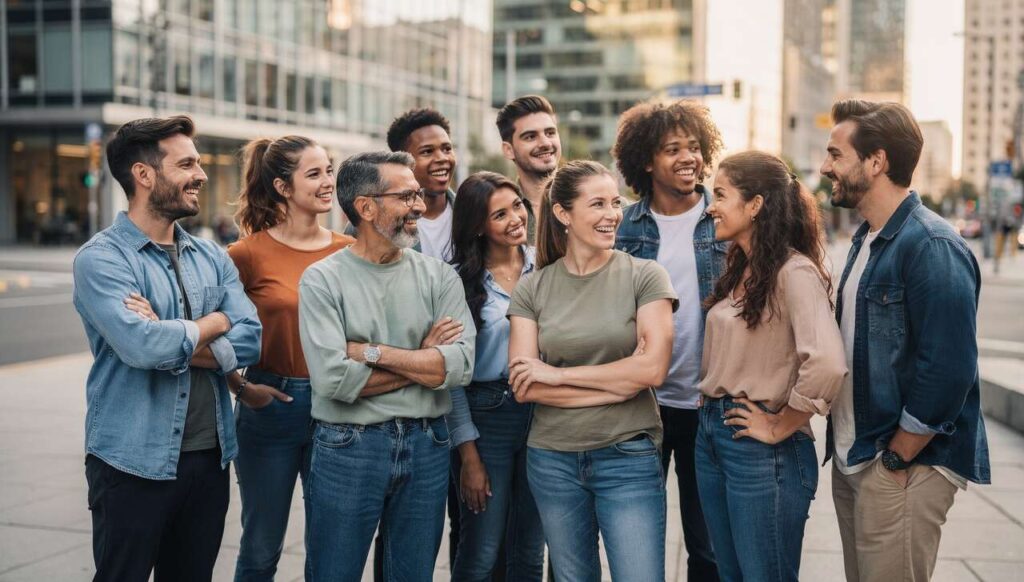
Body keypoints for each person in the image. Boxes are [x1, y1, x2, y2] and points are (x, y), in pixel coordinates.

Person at [73, 115, 261, 582]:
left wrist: (174, 332)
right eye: (187, 164)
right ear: (144, 175)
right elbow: (142, 347)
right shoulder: (101, 259)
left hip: (208, 459)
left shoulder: (211, 255)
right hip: (131, 461)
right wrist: (214, 323)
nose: (200, 174)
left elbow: (251, 335)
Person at [822, 99, 991, 582]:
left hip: (902, 466)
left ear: (876, 162)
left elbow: (950, 368)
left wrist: (897, 457)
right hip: (860, 456)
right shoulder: (868, 239)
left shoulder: (931, 245)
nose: (824, 166)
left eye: (836, 154)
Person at [298, 151, 475, 581]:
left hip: (428, 444)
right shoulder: (322, 280)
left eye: (417, 194)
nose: (419, 205)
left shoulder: (439, 277)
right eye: (406, 196)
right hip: (349, 447)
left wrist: (372, 352)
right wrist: (422, 360)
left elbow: (459, 366)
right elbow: (334, 379)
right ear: (366, 207)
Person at [508, 160, 678, 581]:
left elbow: (653, 370)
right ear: (564, 213)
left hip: (627, 455)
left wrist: (558, 375)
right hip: (552, 459)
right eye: (598, 204)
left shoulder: (645, 276)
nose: (613, 215)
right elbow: (525, 386)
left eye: (616, 203)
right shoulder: (533, 287)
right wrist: (620, 383)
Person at [695, 151, 847, 582]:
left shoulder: (793, 271)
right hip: (714, 434)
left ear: (756, 204)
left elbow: (828, 363)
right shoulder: (741, 268)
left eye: (721, 194)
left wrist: (781, 424)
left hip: (763, 452)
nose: (711, 205)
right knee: (731, 575)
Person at [227, 136, 355, 581]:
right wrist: (239, 386)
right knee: (261, 548)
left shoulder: (348, 251)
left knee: (330, 551)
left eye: (329, 171)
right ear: (283, 187)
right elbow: (211, 330)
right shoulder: (246, 254)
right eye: (314, 173)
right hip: (271, 407)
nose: (327, 182)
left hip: (337, 407)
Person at [610, 98, 726, 582]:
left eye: (695, 147)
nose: (688, 158)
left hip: (709, 406)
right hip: (644, 405)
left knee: (709, 547)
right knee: (637, 543)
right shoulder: (624, 226)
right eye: (672, 148)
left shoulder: (725, 218)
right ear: (646, 161)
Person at [444, 172, 544, 581]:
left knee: (529, 550)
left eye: (517, 205)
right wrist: (468, 456)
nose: (515, 218)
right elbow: (450, 378)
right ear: (478, 226)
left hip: (543, 413)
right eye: (499, 214)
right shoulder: (457, 280)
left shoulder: (548, 264)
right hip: (487, 417)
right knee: (482, 550)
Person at [386, 107, 458, 260]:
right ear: (402, 162)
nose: (442, 158)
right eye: (427, 151)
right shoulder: (376, 221)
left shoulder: (474, 215)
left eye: (447, 149)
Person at [495, 95, 562, 242]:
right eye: (530, 137)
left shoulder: (607, 205)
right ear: (508, 150)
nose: (545, 143)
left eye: (550, 133)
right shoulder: (495, 216)